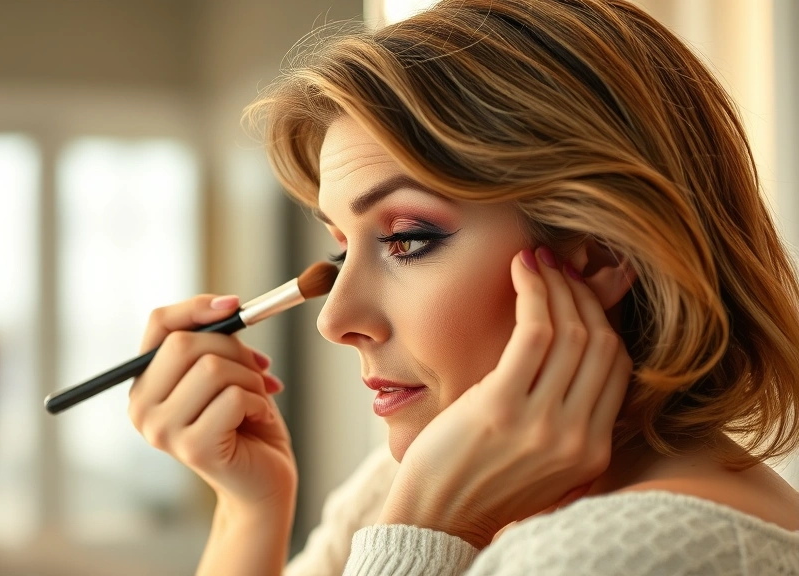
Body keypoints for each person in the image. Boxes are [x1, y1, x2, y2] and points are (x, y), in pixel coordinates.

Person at [127, 0, 799, 574]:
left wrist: (422, 536)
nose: (334, 320)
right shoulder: (423, 476)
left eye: (407, 239)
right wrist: (251, 508)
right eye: (341, 248)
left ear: (599, 253)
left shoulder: (617, 553)